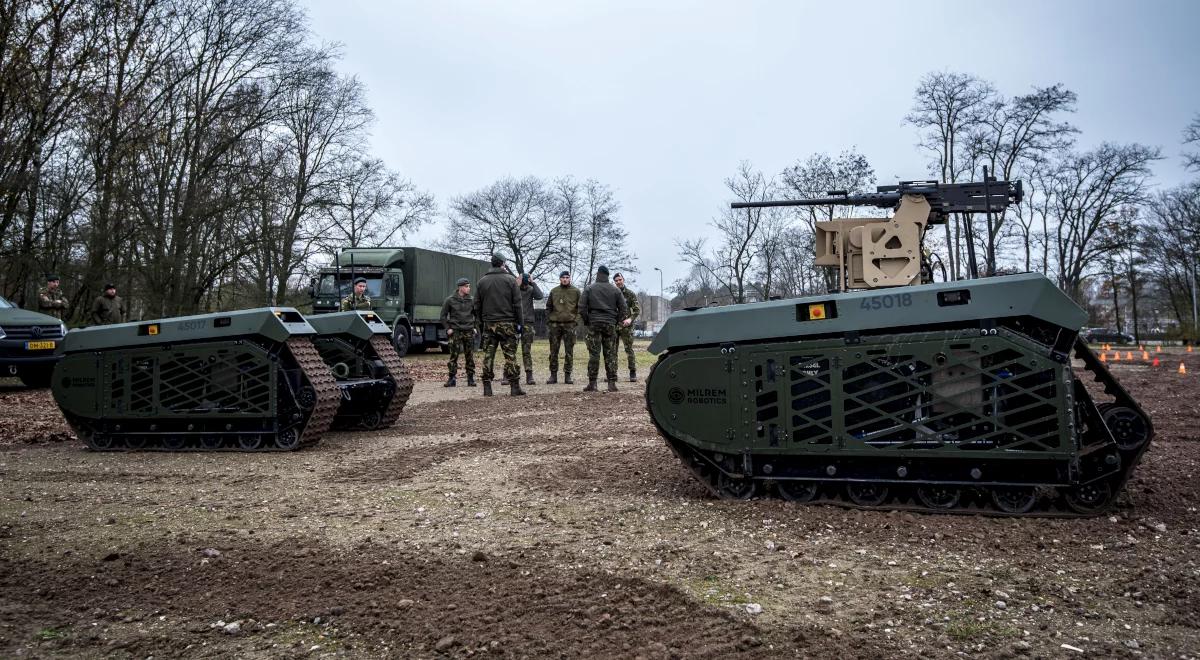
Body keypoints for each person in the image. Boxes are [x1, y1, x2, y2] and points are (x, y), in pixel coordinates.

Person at [473, 254, 524, 397]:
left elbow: (476, 305)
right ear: (503, 264)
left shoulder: (482, 282)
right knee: (510, 355)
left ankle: (487, 387)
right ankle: (514, 387)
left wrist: (481, 322)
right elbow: (517, 304)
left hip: (489, 324)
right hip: (508, 324)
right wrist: (520, 324)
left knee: (488, 355)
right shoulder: (511, 280)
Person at [579, 265, 628, 392]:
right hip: (610, 325)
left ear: (598, 274)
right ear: (607, 275)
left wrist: (587, 320)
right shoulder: (615, 290)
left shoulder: (589, 289)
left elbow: (582, 307)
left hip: (594, 324)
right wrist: (615, 320)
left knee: (594, 354)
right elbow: (624, 309)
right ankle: (611, 383)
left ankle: (593, 383)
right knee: (610, 354)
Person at [440, 278, 477, 387]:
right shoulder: (450, 300)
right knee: (453, 356)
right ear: (460, 287)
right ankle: (452, 379)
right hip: (455, 331)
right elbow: (443, 316)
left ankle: (470, 378)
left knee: (469, 356)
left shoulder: (472, 300)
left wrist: (475, 327)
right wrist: (448, 328)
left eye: (469, 286)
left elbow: (477, 315)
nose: (469, 288)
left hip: (468, 331)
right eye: (466, 286)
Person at [544, 271, 580, 384]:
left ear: (570, 278)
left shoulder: (576, 291)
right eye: (563, 277)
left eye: (567, 277)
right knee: (553, 351)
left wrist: (576, 321)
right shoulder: (554, 291)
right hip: (555, 325)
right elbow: (548, 307)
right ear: (560, 279)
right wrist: (549, 321)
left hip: (570, 324)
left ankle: (567, 375)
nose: (565, 279)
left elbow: (581, 308)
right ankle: (553, 375)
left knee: (569, 351)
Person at [613, 272, 641, 382]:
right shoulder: (612, 294)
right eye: (616, 280)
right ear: (614, 282)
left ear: (623, 280)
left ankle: (632, 372)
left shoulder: (630, 294)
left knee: (629, 349)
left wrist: (630, 319)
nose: (618, 282)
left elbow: (637, 310)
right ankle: (613, 373)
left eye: (620, 279)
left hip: (626, 326)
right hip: (615, 326)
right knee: (612, 351)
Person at [517, 273, 544, 386]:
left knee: (526, 351)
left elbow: (540, 296)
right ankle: (507, 375)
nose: (525, 281)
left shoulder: (530, 289)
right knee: (510, 350)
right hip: (515, 322)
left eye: (527, 279)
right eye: (524, 279)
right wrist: (515, 283)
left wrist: (533, 282)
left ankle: (529, 375)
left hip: (527, 322)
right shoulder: (514, 289)